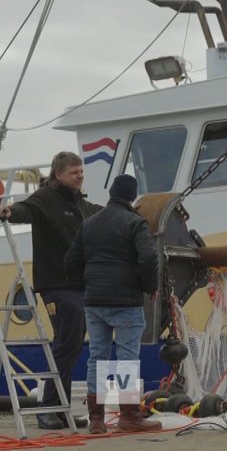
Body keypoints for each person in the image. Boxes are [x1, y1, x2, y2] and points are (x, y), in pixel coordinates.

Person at [0, 152, 101, 430]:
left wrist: (126, 212)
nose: (80, 176)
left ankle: (60, 409)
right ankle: (47, 408)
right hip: (58, 284)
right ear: (58, 174)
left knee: (70, 345)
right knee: (65, 344)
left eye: (81, 171)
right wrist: (9, 211)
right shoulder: (45, 199)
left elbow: (100, 214)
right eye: (74, 173)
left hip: (79, 284)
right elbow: (26, 210)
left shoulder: (80, 204)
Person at [64, 174, 161, 434]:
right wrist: (149, 286)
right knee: (127, 357)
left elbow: (70, 262)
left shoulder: (89, 223)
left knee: (97, 357)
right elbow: (149, 257)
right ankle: (129, 416)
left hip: (94, 301)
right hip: (125, 300)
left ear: (112, 193)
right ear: (132, 196)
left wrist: (85, 286)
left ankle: (96, 420)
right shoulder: (134, 222)